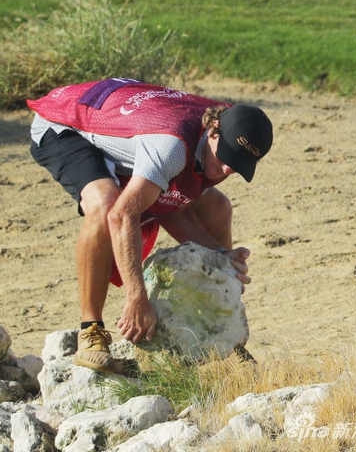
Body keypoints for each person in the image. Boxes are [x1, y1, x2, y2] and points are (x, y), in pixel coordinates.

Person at [28, 77, 273, 372]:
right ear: (213, 131)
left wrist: (221, 258)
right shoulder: (171, 146)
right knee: (104, 203)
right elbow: (122, 216)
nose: (227, 170)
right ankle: (90, 331)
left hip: (135, 122)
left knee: (218, 207)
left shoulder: (230, 129)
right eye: (226, 158)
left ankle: (219, 329)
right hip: (66, 124)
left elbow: (173, 204)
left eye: (238, 164)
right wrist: (137, 299)